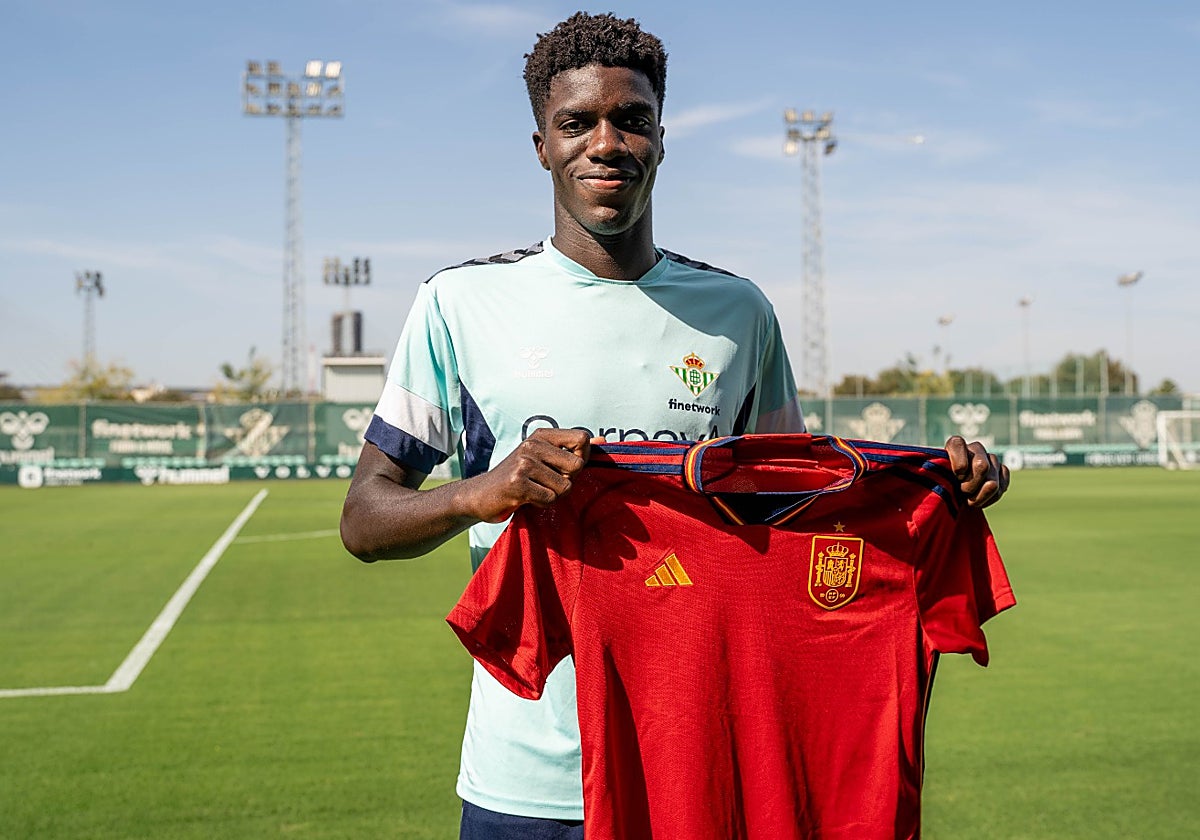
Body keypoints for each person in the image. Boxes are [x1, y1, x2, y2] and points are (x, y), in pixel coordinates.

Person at [340, 11, 1009, 839]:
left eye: (633, 121)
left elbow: (797, 515)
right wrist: (483, 493)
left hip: (698, 771)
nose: (607, 143)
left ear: (662, 138)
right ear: (542, 145)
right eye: (577, 123)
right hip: (528, 784)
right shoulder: (459, 304)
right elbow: (365, 520)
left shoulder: (738, 314)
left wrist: (942, 491)